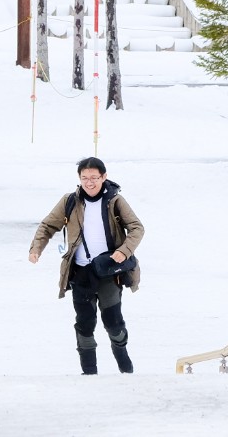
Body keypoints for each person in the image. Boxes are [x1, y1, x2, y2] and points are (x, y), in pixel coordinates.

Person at [27, 156, 145, 375]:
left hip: (109, 272)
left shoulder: (115, 201)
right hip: (81, 273)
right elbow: (47, 225)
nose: (89, 182)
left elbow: (137, 228)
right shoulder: (69, 201)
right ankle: (89, 373)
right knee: (84, 324)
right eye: (85, 178)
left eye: (94, 178)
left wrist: (123, 251)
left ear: (104, 177)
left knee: (113, 323)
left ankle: (126, 370)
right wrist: (36, 249)